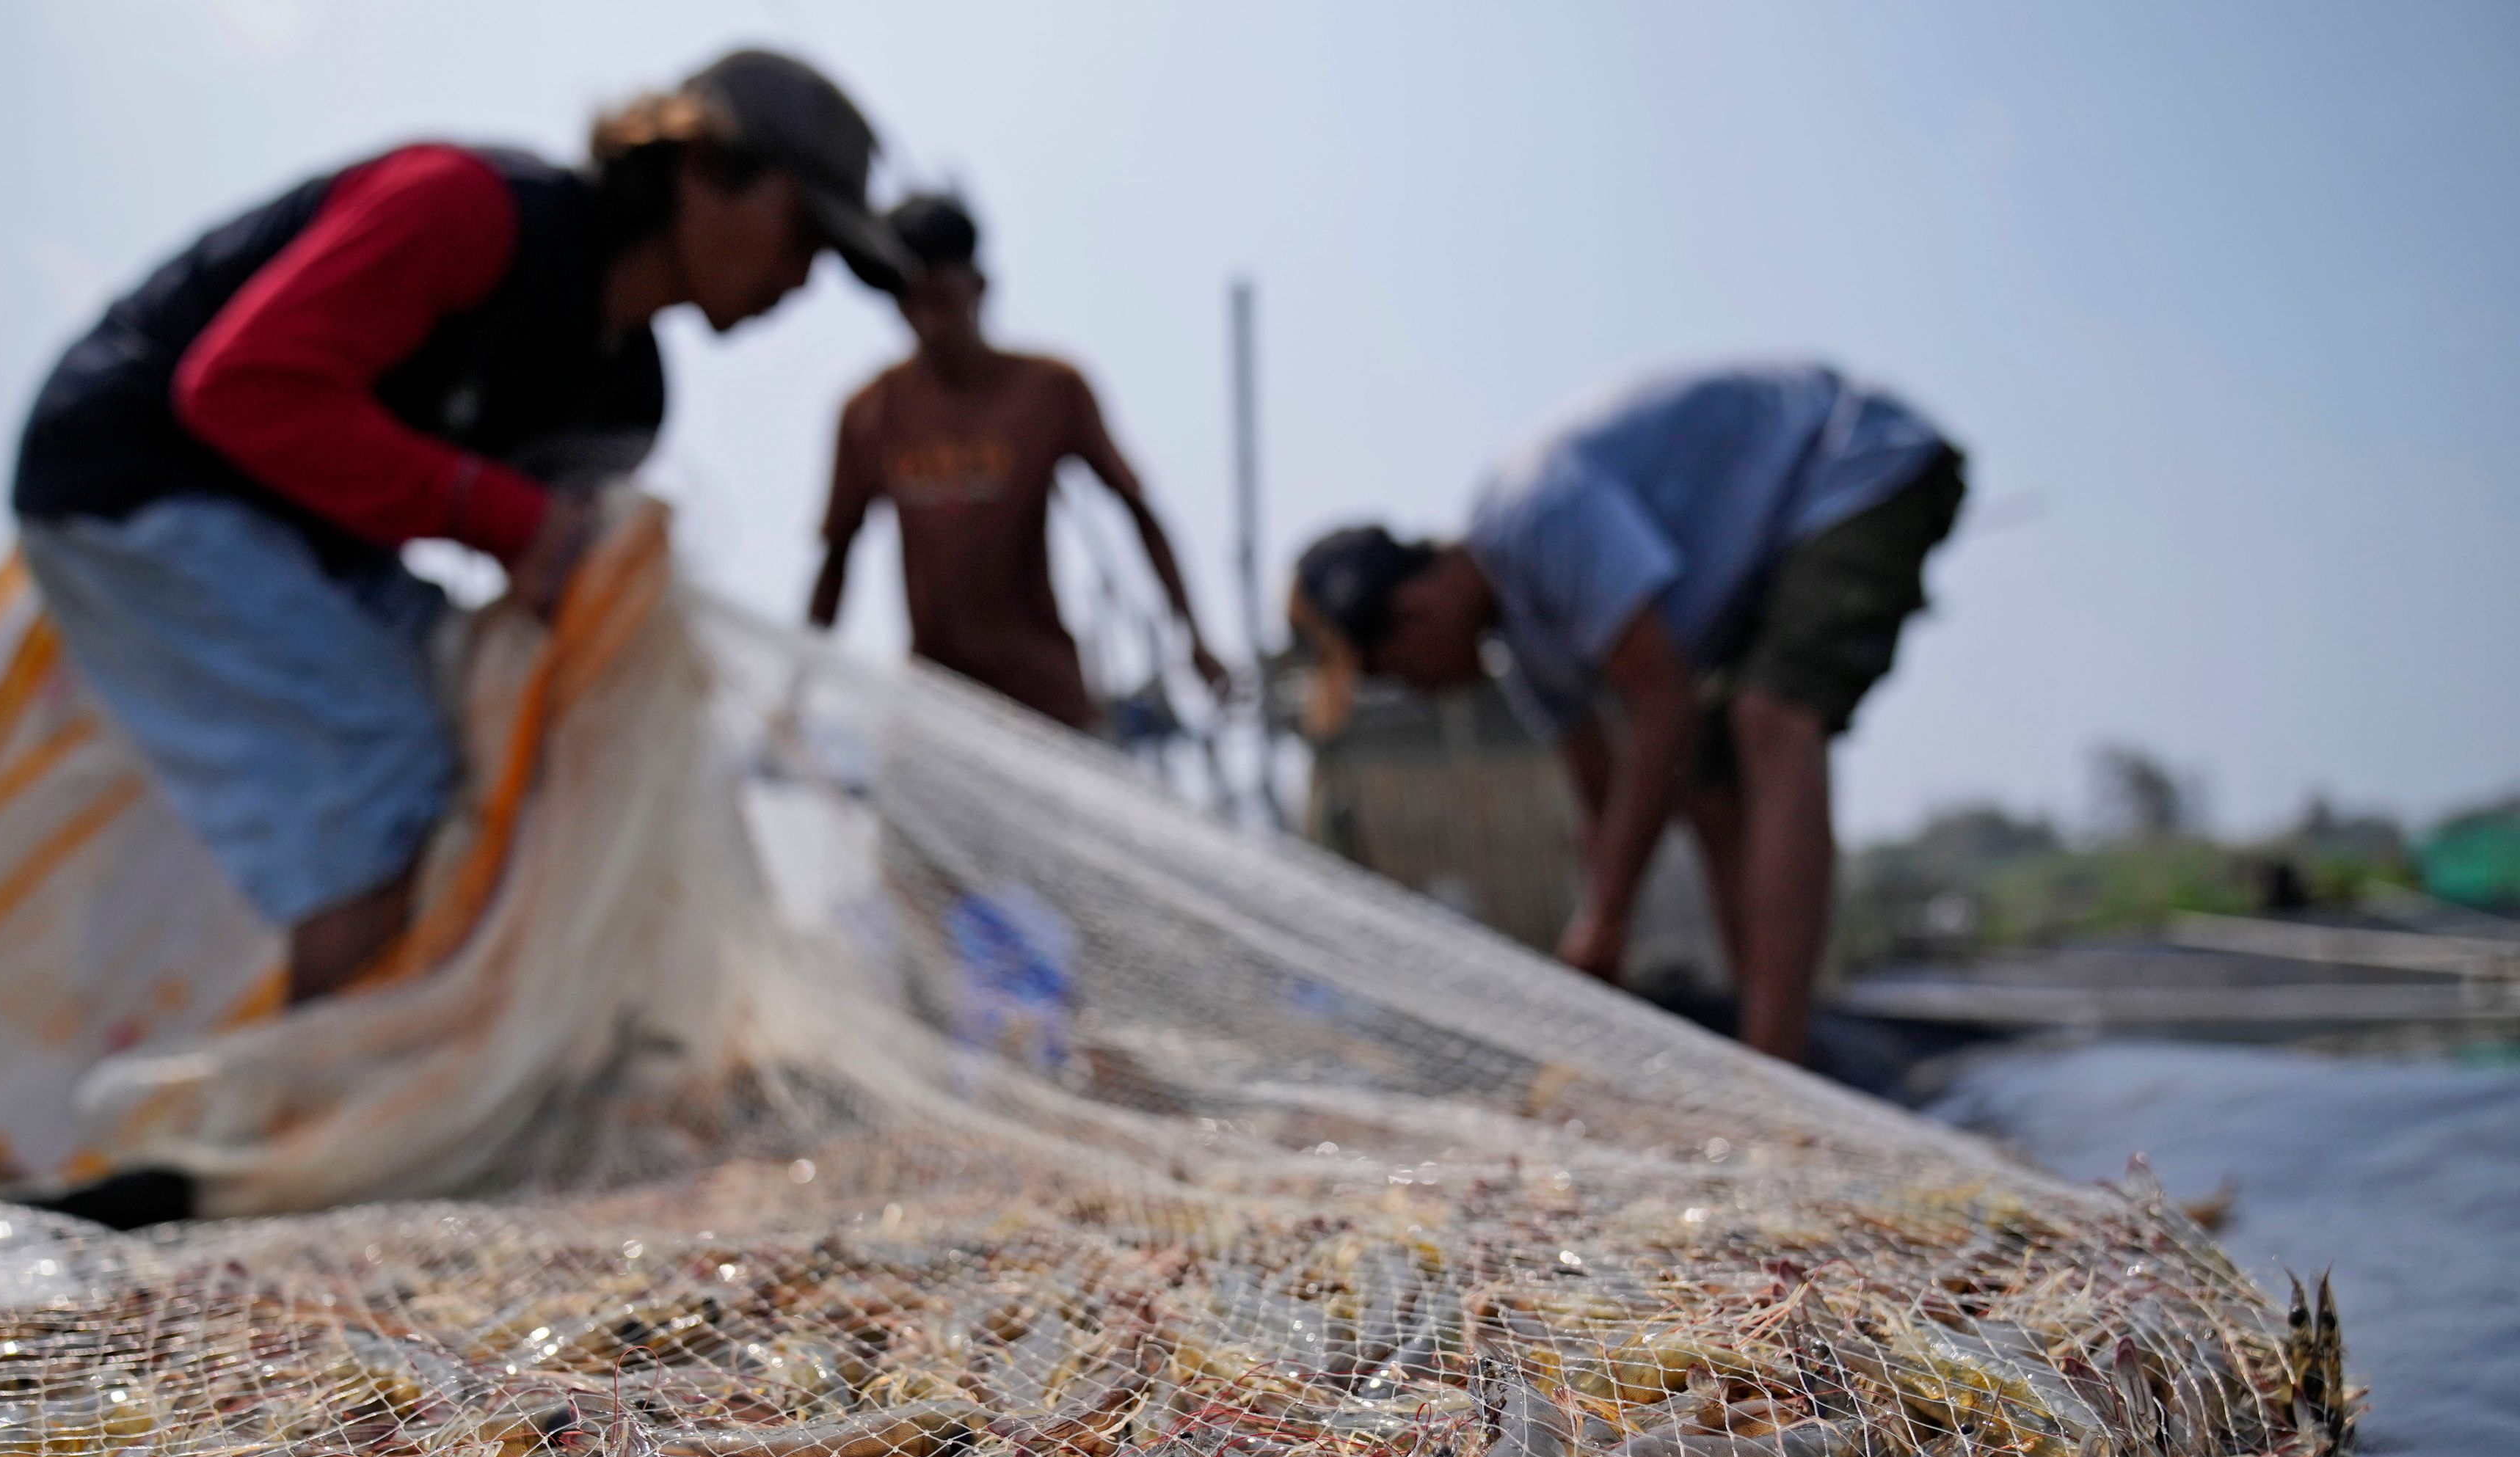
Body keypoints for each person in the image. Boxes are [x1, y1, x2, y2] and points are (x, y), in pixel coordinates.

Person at [11, 50, 913, 1004]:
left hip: (313, 535)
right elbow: (240, 388)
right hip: (137, 480)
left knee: (482, 751)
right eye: (803, 232)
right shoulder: (469, 210)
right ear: (705, 169)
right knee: (387, 778)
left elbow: (525, 572)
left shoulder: (623, 402)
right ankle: (327, 1121)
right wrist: (514, 523)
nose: (801, 277)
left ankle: (410, 1064)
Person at [1289, 363, 1965, 1064]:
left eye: (1396, 672)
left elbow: (1662, 701)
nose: (1422, 691)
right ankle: (1769, 1064)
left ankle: (1783, 1064)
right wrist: (1598, 926)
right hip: (1763, 568)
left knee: (1770, 717)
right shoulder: (1529, 652)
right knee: (1707, 786)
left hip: (1846, 468)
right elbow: (1605, 800)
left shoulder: (1533, 514)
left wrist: (1605, 915)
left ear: (1415, 613)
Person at [808, 194, 1223, 731]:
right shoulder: (870, 413)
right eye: (911, 304)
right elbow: (837, 557)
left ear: (979, 288)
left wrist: (1194, 637)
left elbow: (1137, 511)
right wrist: (802, 677)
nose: (929, 323)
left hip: (1046, 704)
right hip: (936, 709)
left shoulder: (1051, 391)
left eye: (943, 300)